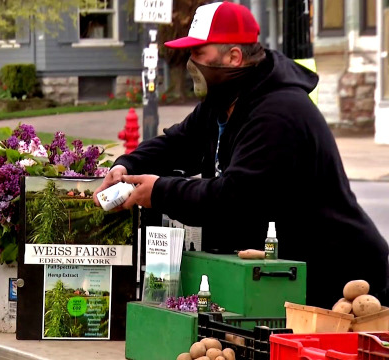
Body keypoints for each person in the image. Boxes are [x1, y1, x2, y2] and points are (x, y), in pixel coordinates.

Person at [94, 1, 389, 309]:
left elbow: (235, 199)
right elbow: (177, 143)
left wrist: (159, 191)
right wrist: (126, 164)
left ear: (233, 57)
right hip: (287, 273)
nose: (190, 62)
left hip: (341, 280)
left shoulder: (278, 113)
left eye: (198, 53)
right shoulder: (222, 104)